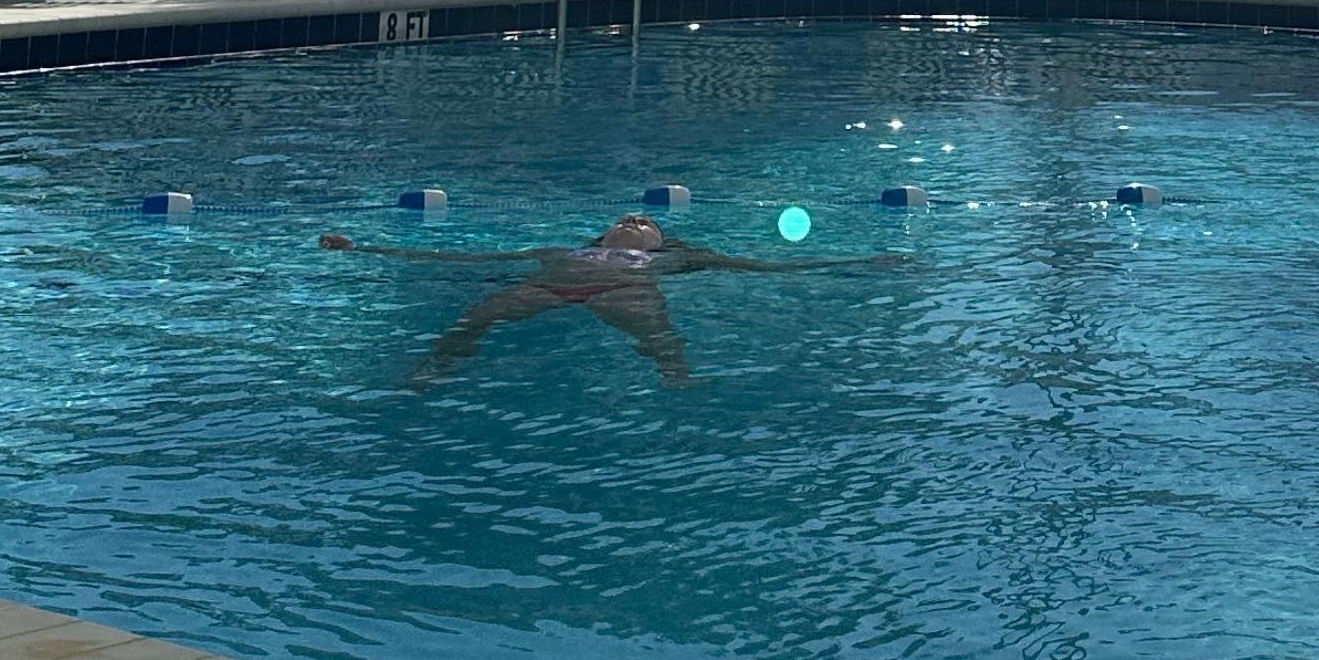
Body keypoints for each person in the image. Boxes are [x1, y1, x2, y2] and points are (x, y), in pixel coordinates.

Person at [319, 210, 898, 387]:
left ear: (659, 243)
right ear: (602, 235)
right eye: (626, 218)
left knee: (662, 337)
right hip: (547, 287)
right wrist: (363, 248)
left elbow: (764, 267)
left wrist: (855, 263)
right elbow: (460, 260)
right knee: (476, 318)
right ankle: (433, 370)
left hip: (625, 292)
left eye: (644, 222)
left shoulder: (667, 261)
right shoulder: (557, 251)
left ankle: (677, 379)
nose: (633, 220)